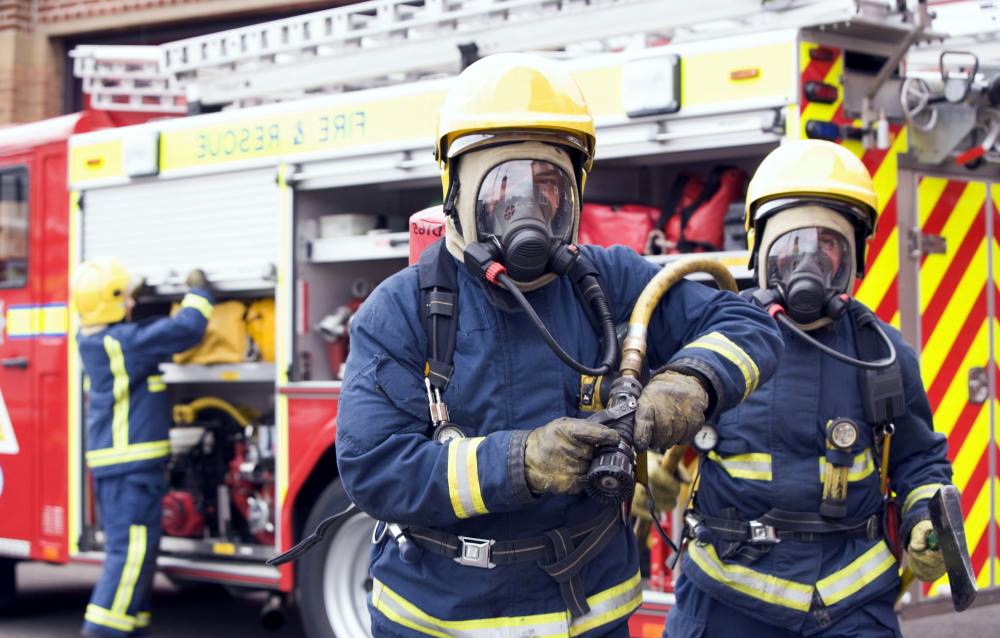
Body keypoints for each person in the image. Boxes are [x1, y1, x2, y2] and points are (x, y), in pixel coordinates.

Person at [335, 52, 783, 637]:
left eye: (547, 184)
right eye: (503, 187)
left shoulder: (608, 279)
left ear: (573, 193)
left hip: (588, 613)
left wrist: (691, 380)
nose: (527, 209)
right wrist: (517, 462)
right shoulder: (400, 309)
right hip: (440, 620)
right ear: (457, 192)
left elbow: (748, 325)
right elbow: (373, 468)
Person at [659, 140, 954, 638]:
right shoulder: (717, 336)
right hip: (727, 595)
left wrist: (926, 519)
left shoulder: (882, 355)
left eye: (828, 248)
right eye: (793, 247)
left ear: (853, 261)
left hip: (848, 602)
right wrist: (650, 466)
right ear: (762, 253)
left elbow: (919, 462)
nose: (808, 266)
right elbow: (660, 416)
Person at [71, 259, 213, 638]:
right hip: (130, 467)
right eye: (126, 298)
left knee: (139, 551)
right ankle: (101, 632)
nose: (132, 304)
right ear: (112, 303)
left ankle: (132, 627)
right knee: (130, 553)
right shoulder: (124, 344)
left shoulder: (95, 339)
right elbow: (187, 328)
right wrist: (198, 292)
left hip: (120, 466)